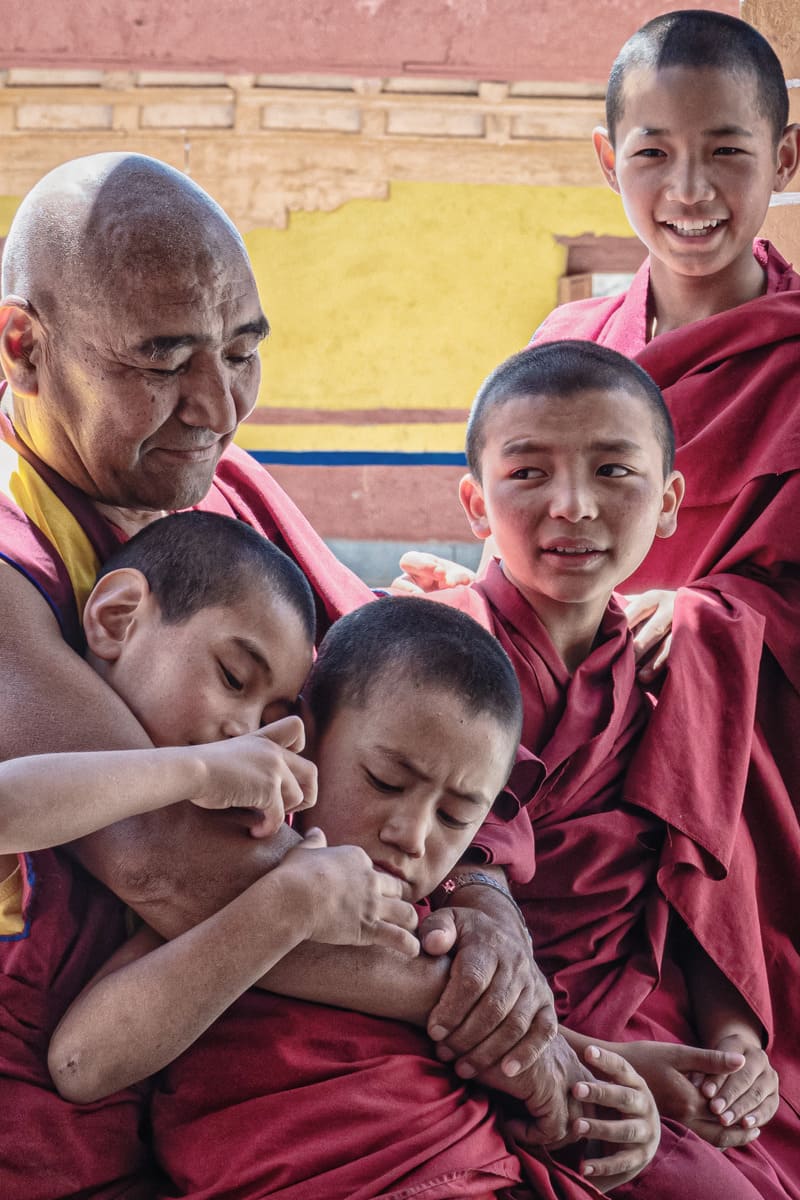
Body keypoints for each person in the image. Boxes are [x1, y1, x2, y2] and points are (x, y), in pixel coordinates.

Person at [0, 151, 564, 1117]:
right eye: (165, 361)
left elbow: (398, 705)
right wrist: (525, 1034)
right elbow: (166, 865)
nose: (219, 411)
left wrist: (486, 903)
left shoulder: (227, 489)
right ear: (21, 346)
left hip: (302, 1035)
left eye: (243, 352)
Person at [396, 11, 800, 1188]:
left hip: (743, 767)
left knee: (733, 1077)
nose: (688, 189)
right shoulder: (573, 338)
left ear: (783, 160)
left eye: (726, 152)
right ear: (604, 159)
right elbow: (515, 511)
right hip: (569, 725)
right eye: (652, 152)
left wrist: (711, 617)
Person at [47, 594, 662, 1199]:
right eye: (385, 781)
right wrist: (288, 907)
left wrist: (610, 1118)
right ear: (304, 741)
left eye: (453, 817)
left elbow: (528, 1087)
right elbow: (82, 1064)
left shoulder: (440, 931)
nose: (412, 835)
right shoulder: (234, 879)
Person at [428, 339, 792, 1199]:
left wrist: (737, 1048)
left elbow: (698, 873)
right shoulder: (435, 660)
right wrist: (611, 1068)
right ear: (477, 505)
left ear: (669, 504)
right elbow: (416, 908)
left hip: (636, 1016)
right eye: (528, 474)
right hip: (469, 1033)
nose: (573, 506)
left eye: (613, 472)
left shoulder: (670, 672)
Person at [0, 511, 420, 1199]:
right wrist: (195, 771)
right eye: (232, 677)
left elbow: (90, 1062)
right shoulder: (53, 754)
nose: (243, 731)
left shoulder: (211, 854)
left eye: (268, 717)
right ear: (115, 618)